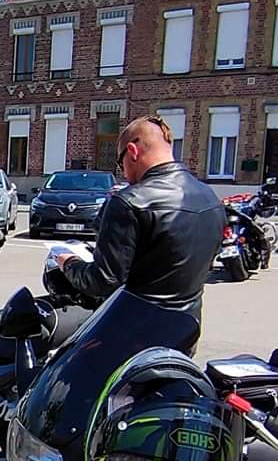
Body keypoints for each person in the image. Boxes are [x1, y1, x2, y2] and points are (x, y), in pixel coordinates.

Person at [45, 115, 226, 341]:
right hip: (185, 331)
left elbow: (102, 281)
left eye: (121, 164)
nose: (124, 173)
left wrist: (68, 262)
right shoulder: (210, 198)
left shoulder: (130, 201)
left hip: (135, 334)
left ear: (132, 151)